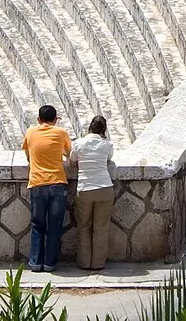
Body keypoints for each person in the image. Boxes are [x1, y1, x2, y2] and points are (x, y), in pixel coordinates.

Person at [22, 104, 73, 272]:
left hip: (37, 183)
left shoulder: (30, 132)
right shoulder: (61, 133)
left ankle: (35, 262)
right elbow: (69, 154)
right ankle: (50, 263)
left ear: (38, 120)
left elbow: (28, 155)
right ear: (55, 120)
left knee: (37, 224)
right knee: (54, 225)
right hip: (57, 183)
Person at [70, 115, 116, 271]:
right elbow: (109, 159)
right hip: (104, 187)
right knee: (101, 227)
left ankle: (84, 262)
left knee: (84, 226)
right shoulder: (107, 145)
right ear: (104, 130)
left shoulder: (78, 144)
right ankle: (98, 263)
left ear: (89, 127)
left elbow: (72, 161)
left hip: (85, 189)